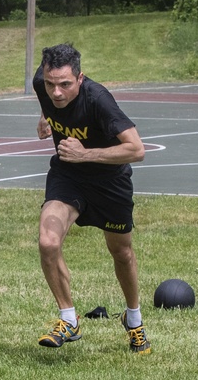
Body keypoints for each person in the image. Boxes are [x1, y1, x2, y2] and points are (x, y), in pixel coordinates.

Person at [33, 43, 151, 354]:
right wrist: (45, 118)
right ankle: (68, 319)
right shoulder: (41, 83)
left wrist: (86, 154)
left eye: (65, 85)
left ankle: (134, 320)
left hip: (109, 181)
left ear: (80, 78)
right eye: (50, 84)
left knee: (121, 253)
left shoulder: (98, 99)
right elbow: (46, 100)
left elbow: (136, 149)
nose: (56, 92)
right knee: (48, 241)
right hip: (68, 175)